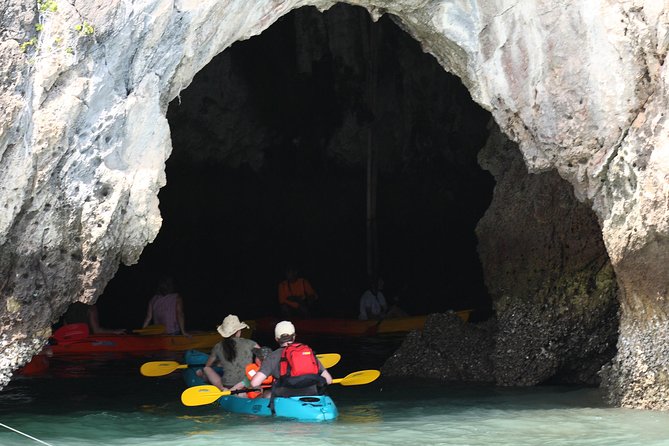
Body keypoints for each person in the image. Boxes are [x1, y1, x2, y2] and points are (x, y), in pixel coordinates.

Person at [250, 320, 332, 398]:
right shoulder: (308, 353)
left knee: (266, 395)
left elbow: (255, 383)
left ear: (276, 339)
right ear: (294, 337)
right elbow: (328, 380)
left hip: (285, 397)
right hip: (311, 395)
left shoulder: (272, 357)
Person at [201, 314, 259, 391]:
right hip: (249, 383)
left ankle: (222, 388)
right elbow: (264, 358)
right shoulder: (251, 343)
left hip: (228, 385)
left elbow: (208, 365)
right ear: (239, 332)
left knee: (206, 369)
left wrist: (221, 363)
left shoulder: (218, 346)